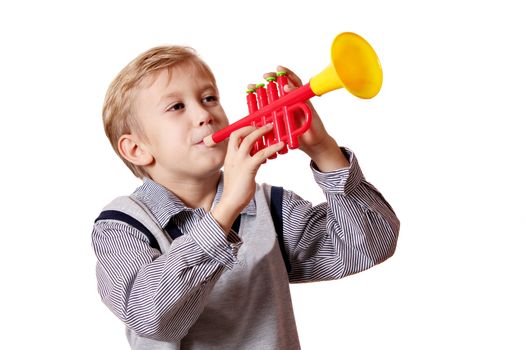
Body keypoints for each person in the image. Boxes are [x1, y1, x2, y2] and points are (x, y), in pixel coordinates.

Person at [92, 44, 400, 350]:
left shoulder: (269, 206)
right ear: (137, 149)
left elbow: (373, 244)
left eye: (209, 98)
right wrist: (225, 212)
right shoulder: (120, 225)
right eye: (177, 107)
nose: (204, 114)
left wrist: (323, 149)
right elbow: (152, 318)